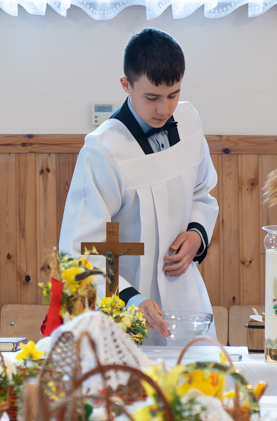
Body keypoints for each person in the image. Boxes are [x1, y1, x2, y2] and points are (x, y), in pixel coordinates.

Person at [59, 28, 219, 344]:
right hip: (124, 312)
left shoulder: (189, 122)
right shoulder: (103, 150)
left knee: (196, 388)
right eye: (152, 97)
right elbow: (77, 252)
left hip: (185, 302)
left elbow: (202, 192)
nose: (165, 109)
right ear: (126, 85)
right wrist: (131, 299)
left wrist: (195, 236)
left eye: (173, 94)